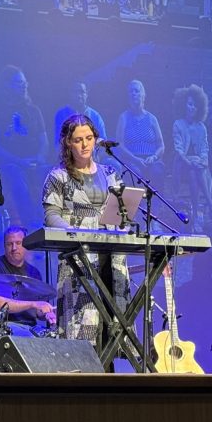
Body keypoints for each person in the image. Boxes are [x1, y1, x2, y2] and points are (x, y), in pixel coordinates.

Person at [42, 114, 130, 347]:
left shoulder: (110, 173)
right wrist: (75, 233)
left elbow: (123, 212)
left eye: (89, 138)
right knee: (84, 324)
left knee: (112, 323)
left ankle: (111, 364)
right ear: (68, 143)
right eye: (78, 140)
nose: (85, 144)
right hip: (79, 258)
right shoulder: (58, 176)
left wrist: (123, 220)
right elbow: (51, 216)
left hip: (111, 256)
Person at [0, 65, 48, 226]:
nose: (24, 86)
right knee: (15, 174)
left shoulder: (34, 110)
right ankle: (31, 224)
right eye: (19, 83)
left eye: (25, 83)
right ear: (6, 86)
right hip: (9, 163)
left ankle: (51, 222)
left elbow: (44, 141)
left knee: (53, 173)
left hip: (33, 161)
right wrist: (20, 161)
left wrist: (39, 157)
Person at [0, 225, 56, 336]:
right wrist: (34, 304)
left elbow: (37, 312)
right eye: (9, 244)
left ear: (25, 245)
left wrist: (46, 314)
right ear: (4, 246)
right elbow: (0, 305)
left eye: (18, 243)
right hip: (2, 328)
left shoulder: (34, 273)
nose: (14, 248)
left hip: (30, 327)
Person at [171, 83, 212, 232]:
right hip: (182, 163)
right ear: (184, 105)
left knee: (195, 172)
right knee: (193, 170)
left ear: (199, 108)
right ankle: (210, 205)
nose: (192, 108)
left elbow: (205, 149)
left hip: (197, 166)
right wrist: (190, 161)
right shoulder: (178, 124)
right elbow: (179, 150)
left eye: (195, 105)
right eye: (189, 104)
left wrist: (202, 161)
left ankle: (197, 213)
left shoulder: (201, 127)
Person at [114, 79, 164, 190]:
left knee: (157, 171)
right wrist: (136, 159)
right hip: (132, 159)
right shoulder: (124, 118)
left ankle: (155, 201)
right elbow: (119, 145)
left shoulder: (152, 119)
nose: (133, 93)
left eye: (136, 91)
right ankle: (137, 201)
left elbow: (161, 146)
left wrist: (154, 157)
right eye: (131, 91)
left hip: (151, 159)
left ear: (143, 95)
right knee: (135, 174)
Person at [53, 82, 107, 147]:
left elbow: (102, 141)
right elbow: (58, 141)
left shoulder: (95, 116)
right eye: (75, 92)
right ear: (70, 94)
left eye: (82, 92)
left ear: (87, 94)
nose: (79, 96)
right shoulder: (61, 114)